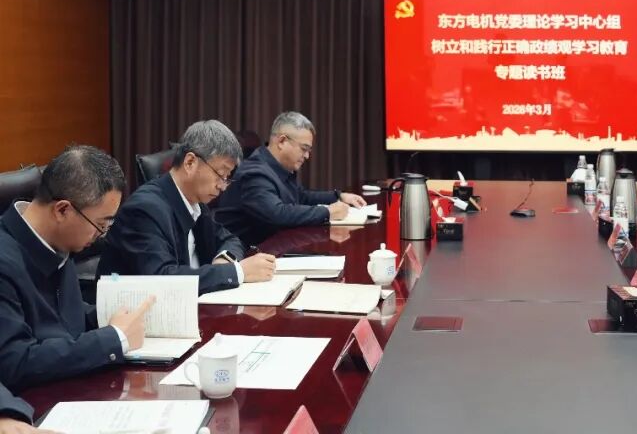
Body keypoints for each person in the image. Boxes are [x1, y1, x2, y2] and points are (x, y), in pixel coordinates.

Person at [0, 146, 152, 390]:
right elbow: (14, 362)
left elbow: (63, 318)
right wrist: (113, 339)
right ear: (62, 210)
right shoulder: (5, 262)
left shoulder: (56, 240)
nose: (101, 235)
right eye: (100, 225)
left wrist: (113, 317)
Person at [98, 120, 276, 294]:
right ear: (190, 162)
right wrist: (236, 272)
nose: (222, 186)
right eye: (220, 174)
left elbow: (230, 239)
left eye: (226, 178)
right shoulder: (143, 210)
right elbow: (162, 279)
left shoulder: (194, 201)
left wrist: (224, 260)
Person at [215, 112, 366, 246]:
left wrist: (338, 196)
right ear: (282, 141)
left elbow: (300, 196)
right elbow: (277, 214)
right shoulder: (255, 173)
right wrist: (327, 212)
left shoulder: (278, 168)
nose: (307, 156)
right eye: (304, 149)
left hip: (273, 247)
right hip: (245, 255)